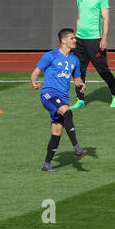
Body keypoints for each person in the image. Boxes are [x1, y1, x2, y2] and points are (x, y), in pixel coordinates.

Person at [31, 28, 89, 172]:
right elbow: (35, 73)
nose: (75, 40)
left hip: (63, 98)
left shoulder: (74, 60)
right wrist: (34, 81)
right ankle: (76, 147)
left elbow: (76, 79)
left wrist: (80, 84)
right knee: (68, 112)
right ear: (63, 40)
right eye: (72, 38)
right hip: (49, 95)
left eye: (75, 38)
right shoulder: (50, 56)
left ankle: (46, 164)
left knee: (57, 132)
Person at [70, 0, 115, 109]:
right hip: (80, 40)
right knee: (78, 71)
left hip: (95, 39)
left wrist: (104, 38)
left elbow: (106, 19)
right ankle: (80, 99)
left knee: (102, 70)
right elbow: (79, 18)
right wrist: (75, 37)